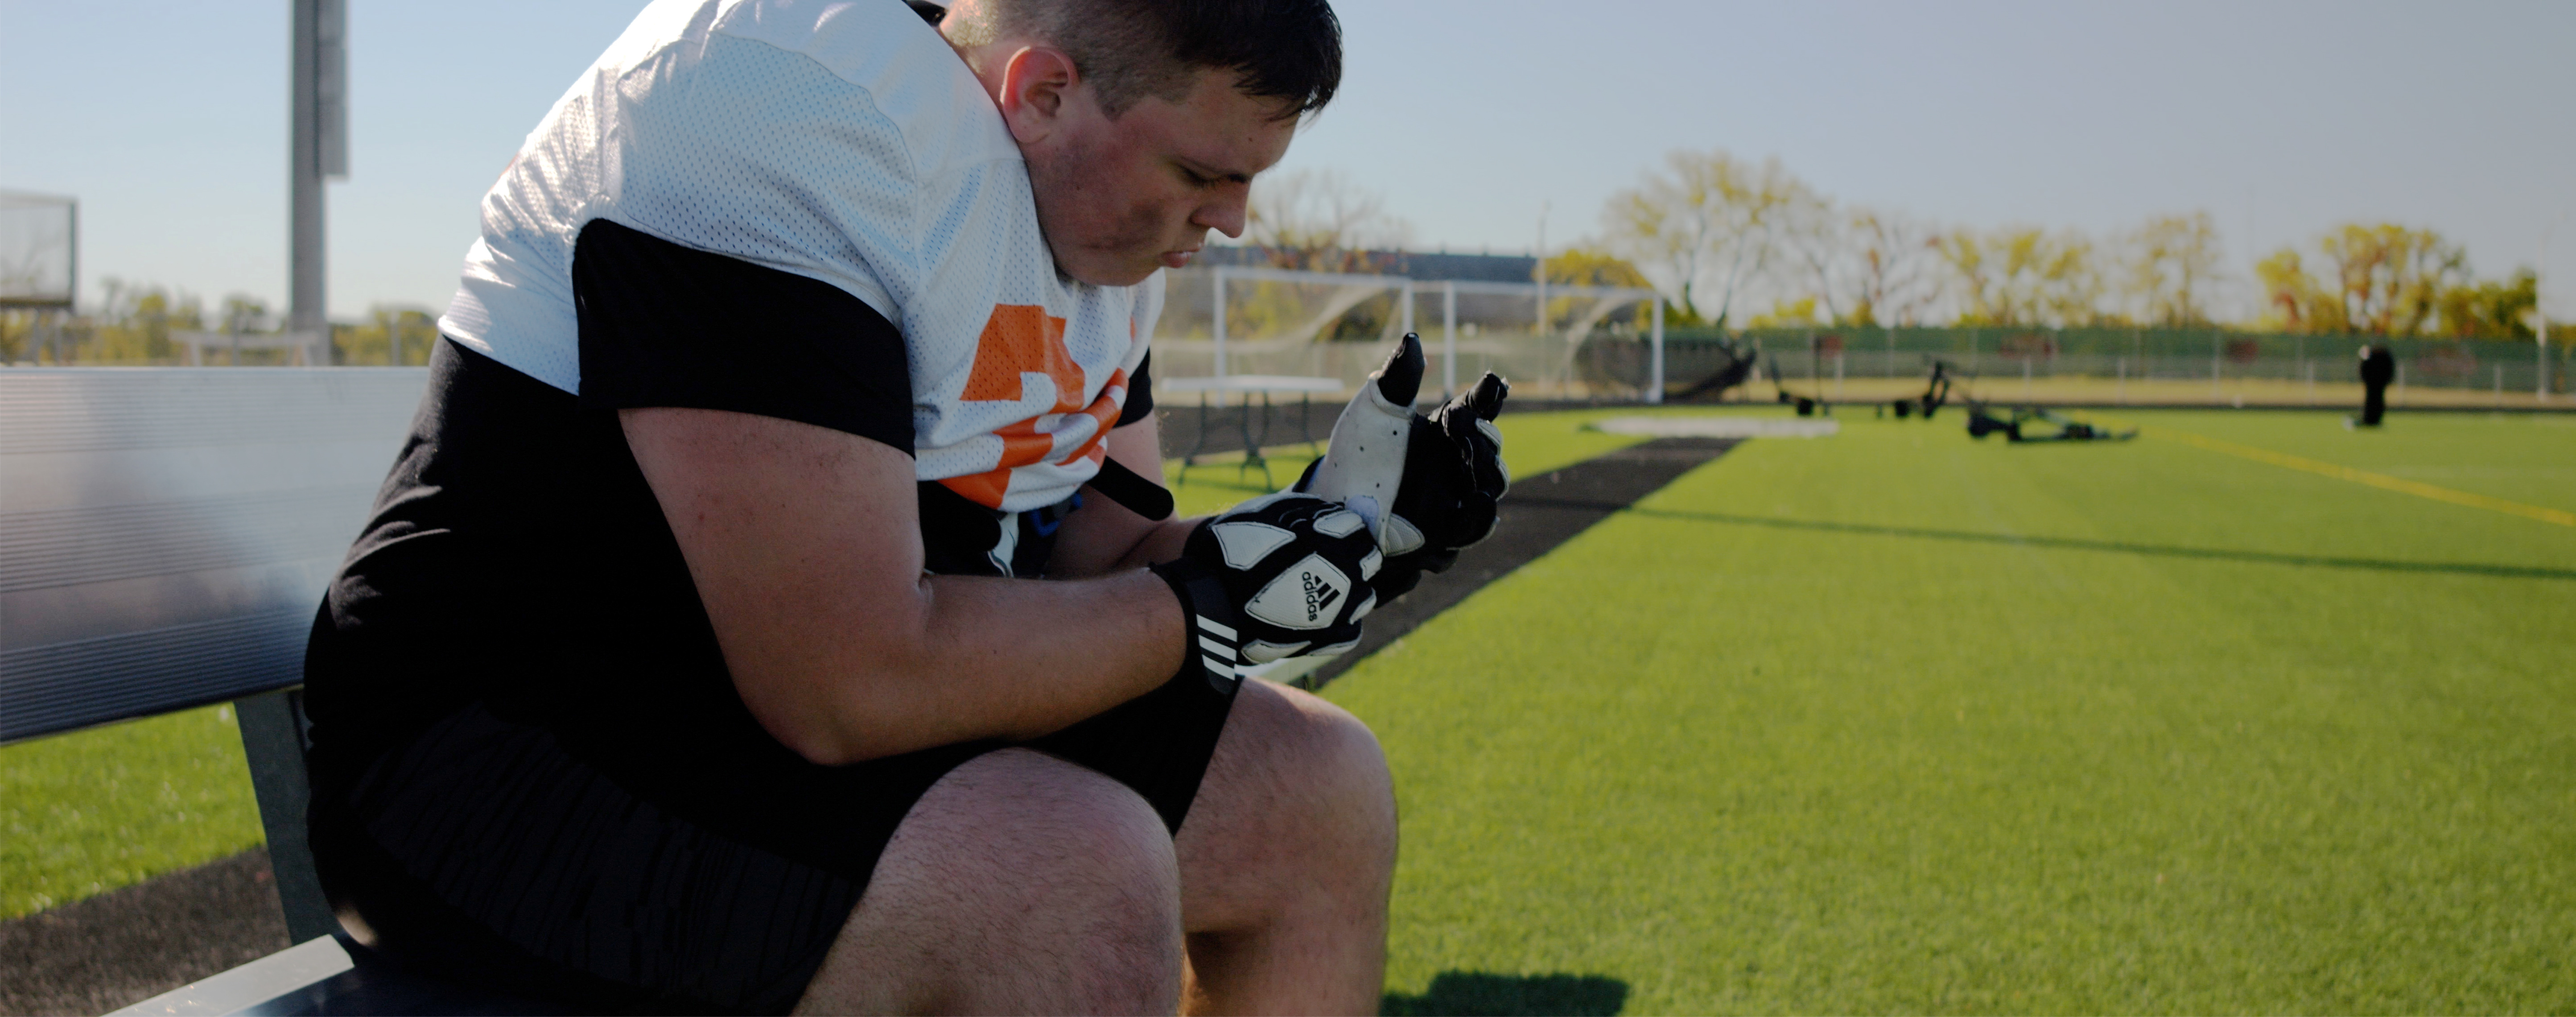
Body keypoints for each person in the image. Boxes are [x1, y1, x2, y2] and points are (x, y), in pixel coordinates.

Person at [298, 0, 1503, 1013]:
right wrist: (1205, 604)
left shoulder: (1069, 198)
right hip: (514, 762)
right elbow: (849, 681)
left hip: (765, 717)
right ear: (1040, 92)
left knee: (1318, 791)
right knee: (1070, 872)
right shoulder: (778, 106)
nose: (1234, 218)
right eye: (1202, 173)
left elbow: (1102, 557)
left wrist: (1341, 531)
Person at [2357, 343, 2396, 426]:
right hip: (2375, 382)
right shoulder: (2381, 356)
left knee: (2375, 400)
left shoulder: (2380, 356)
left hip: (2377, 382)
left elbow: (2364, 367)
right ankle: (2370, 420)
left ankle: (2373, 420)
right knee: (2373, 400)